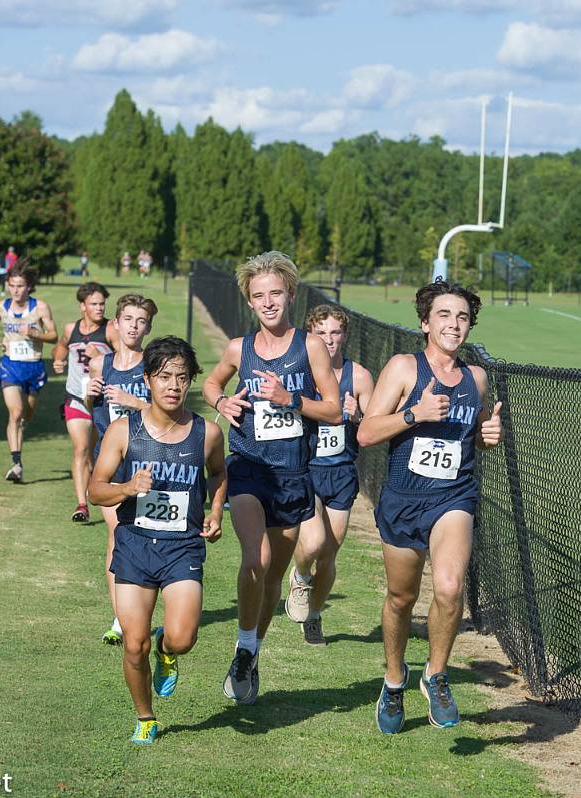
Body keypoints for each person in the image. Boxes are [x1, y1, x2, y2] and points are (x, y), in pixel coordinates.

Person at [357, 279, 502, 734]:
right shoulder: (404, 368)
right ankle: (395, 680)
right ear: (425, 323)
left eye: (462, 317)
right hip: (404, 498)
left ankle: (436, 675)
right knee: (401, 597)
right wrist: (414, 414)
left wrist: (486, 436)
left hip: (453, 496)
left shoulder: (476, 378)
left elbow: (473, 434)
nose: (454, 324)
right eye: (444, 315)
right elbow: (365, 433)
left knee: (449, 586)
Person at [201, 251, 340, 705]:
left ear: (291, 295)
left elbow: (335, 409)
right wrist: (221, 403)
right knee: (255, 559)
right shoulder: (239, 348)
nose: (268, 302)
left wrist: (290, 399)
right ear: (249, 301)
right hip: (248, 467)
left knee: (275, 575)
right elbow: (210, 384)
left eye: (275, 293)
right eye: (259, 295)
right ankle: (244, 645)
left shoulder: (311, 346)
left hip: (293, 474)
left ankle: (251, 650)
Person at [89, 336, 227, 746]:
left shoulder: (207, 433)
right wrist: (128, 487)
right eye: (164, 376)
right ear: (147, 379)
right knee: (133, 643)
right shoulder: (122, 431)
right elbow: (96, 490)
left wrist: (216, 511)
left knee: (183, 638)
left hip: (182, 546)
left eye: (182, 378)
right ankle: (145, 716)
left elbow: (219, 475)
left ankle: (168, 653)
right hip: (134, 544)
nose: (173, 386)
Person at [285, 305, 374, 645]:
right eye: (322, 333)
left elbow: (375, 426)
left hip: (340, 472)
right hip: (306, 469)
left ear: (345, 335)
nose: (330, 340)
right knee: (314, 541)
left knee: (330, 552)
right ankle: (300, 575)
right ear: (312, 337)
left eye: (335, 332)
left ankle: (315, 613)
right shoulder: (301, 373)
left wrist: (355, 417)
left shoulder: (360, 377)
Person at [86, 294, 158, 645]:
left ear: (148, 327)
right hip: (111, 461)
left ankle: (134, 611)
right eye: (127, 318)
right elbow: (94, 411)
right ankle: (121, 617)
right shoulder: (102, 364)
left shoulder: (152, 365)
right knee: (117, 537)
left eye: (140, 320)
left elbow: (164, 413)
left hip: (145, 463)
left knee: (144, 538)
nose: (133, 325)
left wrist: (136, 403)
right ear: (115, 323)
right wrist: (89, 394)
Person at [53, 282, 118, 523]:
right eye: (94, 304)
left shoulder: (111, 329)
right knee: (80, 448)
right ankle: (82, 504)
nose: (99, 308)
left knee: (93, 452)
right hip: (76, 397)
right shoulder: (72, 329)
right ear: (82, 306)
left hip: (101, 400)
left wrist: (101, 357)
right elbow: (60, 348)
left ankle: (99, 489)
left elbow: (126, 358)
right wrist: (58, 360)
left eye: (102, 304)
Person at [0, 263, 57, 482]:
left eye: (20, 286)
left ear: (29, 287)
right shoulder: (2, 306)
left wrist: (34, 333)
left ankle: (20, 431)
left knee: (26, 415)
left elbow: (54, 336)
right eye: (12, 286)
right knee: (15, 412)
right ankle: (16, 464)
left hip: (34, 367)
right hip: (10, 365)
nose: (16, 290)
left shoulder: (40, 308)